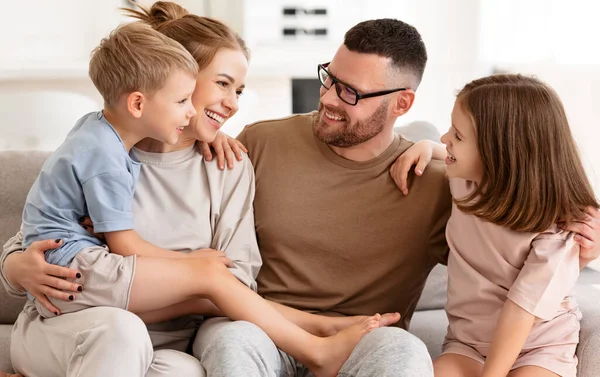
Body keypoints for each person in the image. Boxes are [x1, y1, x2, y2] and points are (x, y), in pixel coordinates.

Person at [2, 3, 398, 377]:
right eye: (223, 84)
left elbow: (235, 283)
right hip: (75, 326)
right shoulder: (107, 150)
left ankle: (316, 329)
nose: (232, 104)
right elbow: (37, 238)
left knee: (187, 370)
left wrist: (197, 278)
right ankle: (316, 335)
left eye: (239, 91)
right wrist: (14, 268)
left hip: (167, 346)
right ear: (179, 78)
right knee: (125, 328)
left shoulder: (226, 165)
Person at [391, 74, 599, 377]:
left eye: (458, 136)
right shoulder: (463, 181)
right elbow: (446, 152)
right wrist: (427, 146)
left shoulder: (562, 227)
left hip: (539, 348)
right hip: (468, 345)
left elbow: (522, 309)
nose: (446, 138)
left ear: (499, 152)